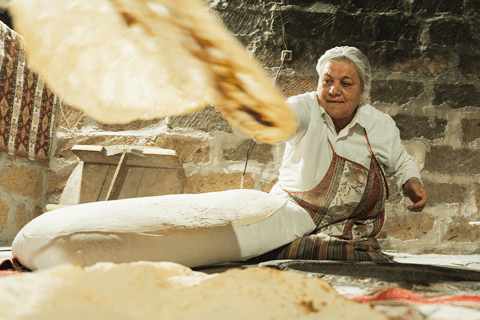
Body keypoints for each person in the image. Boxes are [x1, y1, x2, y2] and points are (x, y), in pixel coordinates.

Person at [262, 46, 427, 262]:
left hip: (348, 232)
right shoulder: (305, 107)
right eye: (327, 81)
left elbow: (402, 164)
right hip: (293, 222)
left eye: (346, 84)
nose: (333, 91)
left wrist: (412, 183)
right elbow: (286, 118)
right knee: (270, 244)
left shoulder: (379, 125)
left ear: (362, 92)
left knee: (351, 253)